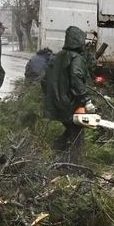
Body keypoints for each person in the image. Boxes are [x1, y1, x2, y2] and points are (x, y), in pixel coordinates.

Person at [44, 26, 95, 164]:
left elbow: (44, 80)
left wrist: (50, 96)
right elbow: (76, 78)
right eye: (83, 40)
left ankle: (54, 154)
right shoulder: (76, 58)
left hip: (56, 102)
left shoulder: (57, 56)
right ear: (78, 41)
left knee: (70, 129)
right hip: (69, 103)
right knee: (77, 133)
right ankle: (73, 164)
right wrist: (86, 100)